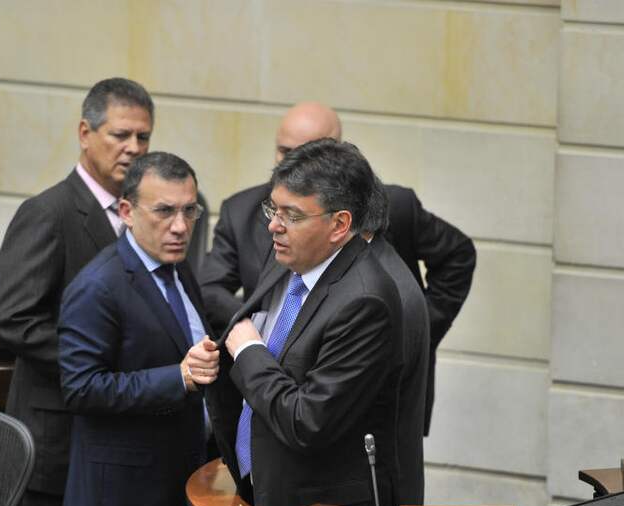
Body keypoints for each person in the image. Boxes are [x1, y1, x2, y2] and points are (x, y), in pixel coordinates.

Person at [200, 101, 476, 435]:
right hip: (270, 427)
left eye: (294, 216)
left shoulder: (384, 230)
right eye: (284, 150)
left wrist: (412, 332)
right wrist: (250, 334)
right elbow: (213, 289)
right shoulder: (250, 217)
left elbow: (458, 256)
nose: (293, 164)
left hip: (344, 428)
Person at [0, 77, 159, 506]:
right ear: (85, 133)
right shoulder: (49, 212)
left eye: (143, 138)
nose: (133, 148)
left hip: (117, 442)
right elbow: (11, 317)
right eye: (120, 135)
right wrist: (94, 361)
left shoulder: (145, 217)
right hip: (56, 442)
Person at [207, 139, 403, 506]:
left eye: (291, 215)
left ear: (339, 225)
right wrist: (216, 360)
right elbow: (270, 342)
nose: (273, 226)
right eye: (273, 209)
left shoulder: (366, 301)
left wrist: (247, 351)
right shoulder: (289, 258)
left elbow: (307, 421)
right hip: (260, 488)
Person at [57, 152, 218, 506]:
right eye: (165, 211)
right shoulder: (98, 286)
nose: (181, 226)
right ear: (127, 212)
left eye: (190, 211)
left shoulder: (178, 270)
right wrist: (178, 377)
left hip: (181, 502)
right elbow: (81, 387)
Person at [360, 189, 430, 505]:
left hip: (374, 503)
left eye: (298, 215)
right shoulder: (377, 268)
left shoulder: (378, 295)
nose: (278, 226)